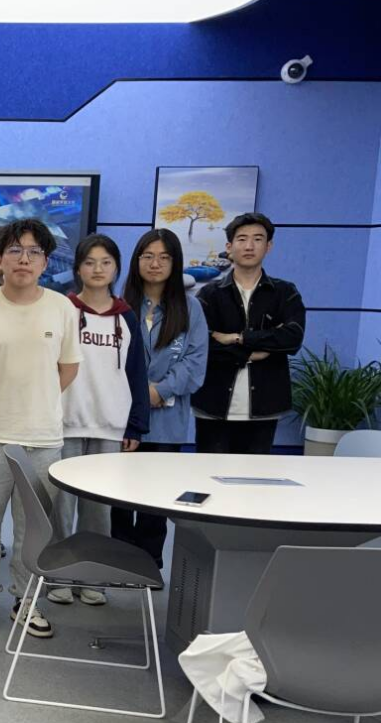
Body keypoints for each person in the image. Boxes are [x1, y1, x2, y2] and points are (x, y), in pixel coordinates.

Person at [0, 218, 81, 639]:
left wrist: (36, 399)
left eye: (33, 252)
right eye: (14, 250)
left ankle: (28, 599)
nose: (23, 259)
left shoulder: (62, 308)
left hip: (42, 437)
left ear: (45, 261)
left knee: (34, 527)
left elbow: (68, 368)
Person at [46, 234, 150, 606]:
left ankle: (92, 575)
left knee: (98, 511)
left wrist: (135, 424)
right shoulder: (63, 310)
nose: (97, 269)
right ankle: (58, 574)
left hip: (109, 425)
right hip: (66, 422)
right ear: (78, 268)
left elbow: (137, 373)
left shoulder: (127, 316)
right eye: (90, 262)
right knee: (61, 506)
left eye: (106, 262)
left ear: (116, 268)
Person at [110, 228, 208, 572]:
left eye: (164, 257)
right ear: (136, 261)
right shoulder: (119, 306)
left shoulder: (191, 309)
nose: (155, 264)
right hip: (124, 419)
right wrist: (139, 394)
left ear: (175, 263)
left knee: (156, 499)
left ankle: (149, 565)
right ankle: (118, 562)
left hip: (167, 422)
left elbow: (195, 364)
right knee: (119, 496)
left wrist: (158, 390)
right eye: (148, 256)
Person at [192, 213, 306, 455]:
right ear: (229, 247)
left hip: (264, 407)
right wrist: (252, 353)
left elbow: (292, 338)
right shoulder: (210, 294)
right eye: (242, 239)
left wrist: (238, 338)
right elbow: (202, 346)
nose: (249, 246)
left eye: (258, 239)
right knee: (208, 474)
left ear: (269, 246)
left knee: (255, 477)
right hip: (213, 406)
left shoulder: (284, 292)